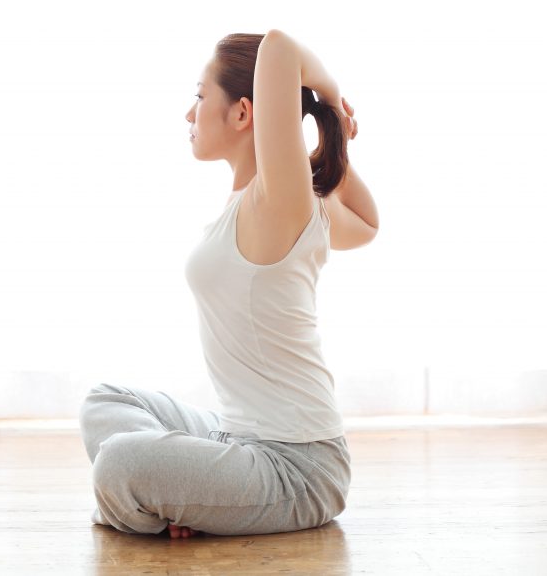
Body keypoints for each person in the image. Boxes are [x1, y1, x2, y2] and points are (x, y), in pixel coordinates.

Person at [78, 29, 379, 538]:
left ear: (242, 113)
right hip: (237, 437)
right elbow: (367, 224)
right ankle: (188, 500)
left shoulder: (281, 203)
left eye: (200, 96)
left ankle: (168, 505)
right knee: (105, 402)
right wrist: (334, 143)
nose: (188, 114)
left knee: (119, 463)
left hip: (298, 469)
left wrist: (329, 103)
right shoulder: (275, 201)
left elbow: (279, 46)